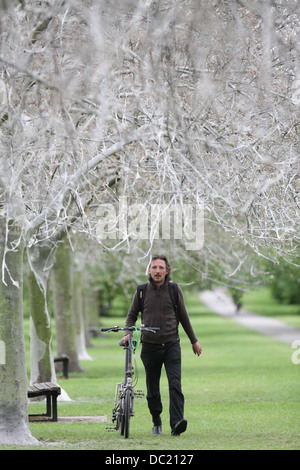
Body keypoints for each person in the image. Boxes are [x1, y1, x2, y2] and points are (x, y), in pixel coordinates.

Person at [122, 254, 202, 436]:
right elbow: (131, 316)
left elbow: (183, 317)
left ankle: (176, 423)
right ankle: (156, 421)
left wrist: (194, 340)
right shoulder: (141, 291)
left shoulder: (175, 290)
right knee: (153, 388)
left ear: (167, 271)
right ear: (149, 270)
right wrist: (128, 334)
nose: (157, 271)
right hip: (150, 347)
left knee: (175, 385)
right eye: (154, 267)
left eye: (161, 268)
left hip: (172, 345)